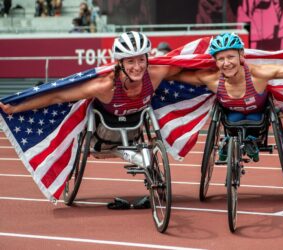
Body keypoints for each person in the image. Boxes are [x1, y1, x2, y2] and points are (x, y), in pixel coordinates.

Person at [0, 31, 181, 208]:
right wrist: (15, 108)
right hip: (101, 137)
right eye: (130, 61)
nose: (138, 66)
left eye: (141, 59)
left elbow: (193, 72)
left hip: (135, 131)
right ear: (120, 63)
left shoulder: (155, 75)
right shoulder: (105, 86)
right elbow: (58, 96)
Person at [171, 32, 283, 159]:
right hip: (230, 117)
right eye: (221, 59)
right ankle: (230, 140)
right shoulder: (210, 79)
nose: (226, 63)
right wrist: (150, 68)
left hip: (258, 115)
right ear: (215, 61)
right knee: (234, 117)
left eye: (231, 57)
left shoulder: (259, 74)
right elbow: (173, 75)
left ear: (241, 55)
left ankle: (251, 140)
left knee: (255, 118)